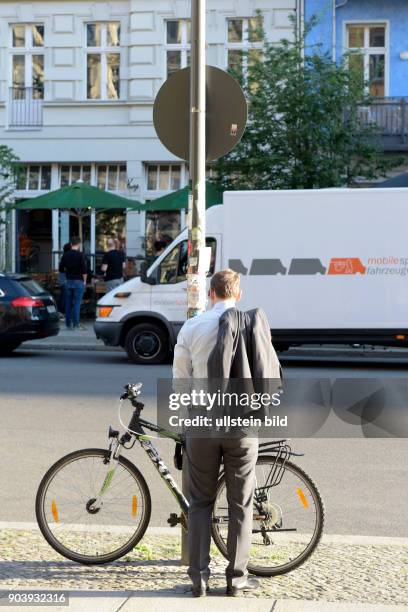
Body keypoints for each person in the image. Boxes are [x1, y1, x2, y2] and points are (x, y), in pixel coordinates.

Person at [173, 269, 281, 598]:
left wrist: (184, 423)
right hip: (243, 424)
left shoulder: (192, 327)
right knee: (241, 503)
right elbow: (268, 370)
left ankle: (199, 579)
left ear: (211, 293)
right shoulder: (253, 324)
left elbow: (181, 380)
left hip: (203, 422)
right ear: (239, 293)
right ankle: (236, 579)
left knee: (200, 502)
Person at [59, 237, 87, 330]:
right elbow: (84, 270)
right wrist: (85, 281)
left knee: (68, 303)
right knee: (77, 303)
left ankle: (68, 323)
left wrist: (67, 273)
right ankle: (76, 323)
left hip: (68, 281)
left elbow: (60, 269)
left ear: (71, 244)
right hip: (78, 281)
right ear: (79, 245)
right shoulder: (80, 255)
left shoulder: (65, 255)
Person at [57, 242, 71, 318]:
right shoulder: (65, 257)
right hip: (65, 280)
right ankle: (62, 312)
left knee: (64, 295)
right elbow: (62, 269)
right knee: (65, 296)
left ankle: (62, 312)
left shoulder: (64, 257)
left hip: (63, 280)